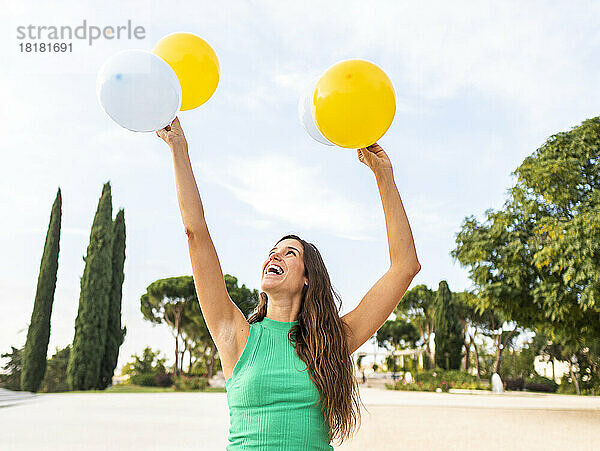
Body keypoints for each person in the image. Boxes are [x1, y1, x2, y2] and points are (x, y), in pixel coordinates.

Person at [157, 117, 421, 449]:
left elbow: (405, 267)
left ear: (308, 278)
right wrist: (178, 148)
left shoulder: (331, 341)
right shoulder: (235, 335)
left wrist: (384, 175)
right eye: (272, 252)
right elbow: (195, 232)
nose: (275, 257)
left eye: (289, 253)